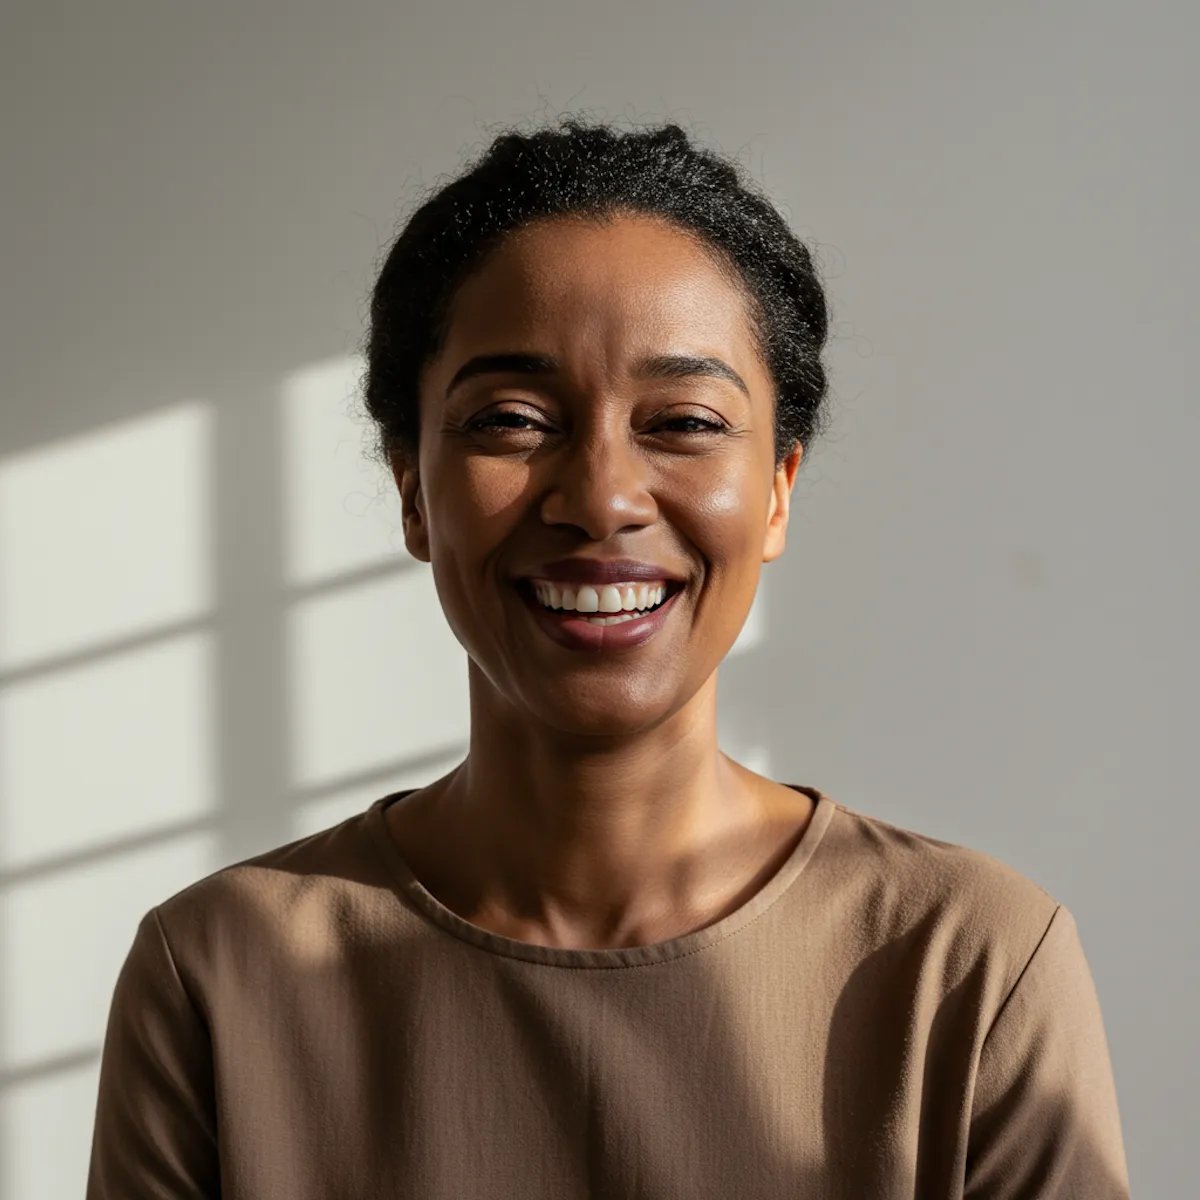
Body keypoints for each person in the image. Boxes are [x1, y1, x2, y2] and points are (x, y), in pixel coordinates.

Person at [87, 120, 1130, 1199]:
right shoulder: (215, 973)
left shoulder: (969, 963)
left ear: (778, 487)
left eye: (680, 420)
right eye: (512, 419)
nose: (600, 499)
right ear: (413, 491)